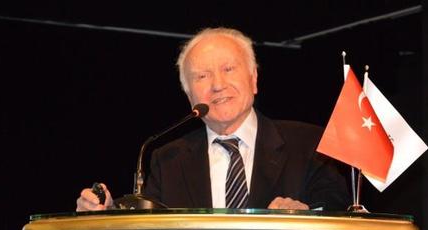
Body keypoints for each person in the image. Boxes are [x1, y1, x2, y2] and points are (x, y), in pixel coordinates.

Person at [76, 27, 348, 212]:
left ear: (254, 78)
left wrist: (306, 214)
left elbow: (339, 209)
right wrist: (108, 214)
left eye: (228, 69)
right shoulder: (168, 160)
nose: (218, 85)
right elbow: (148, 227)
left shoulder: (308, 144)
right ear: (189, 95)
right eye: (202, 76)